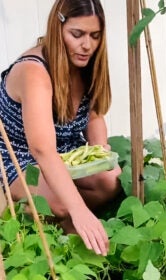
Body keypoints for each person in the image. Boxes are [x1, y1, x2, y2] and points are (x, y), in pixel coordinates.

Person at [0, 0, 122, 256]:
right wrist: (78, 209)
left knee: (110, 181)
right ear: (58, 29)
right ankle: (59, 221)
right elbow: (42, 150)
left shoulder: (87, 62)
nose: (86, 45)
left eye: (94, 36)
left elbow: (95, 115)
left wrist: (100, 154)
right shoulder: (35, 71)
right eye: (76, 34)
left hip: (66, 152)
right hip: (18, 157)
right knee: (60, 204)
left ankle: (60, 217)